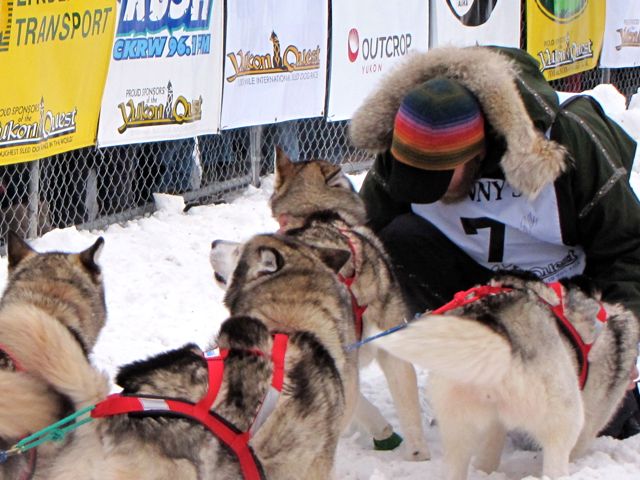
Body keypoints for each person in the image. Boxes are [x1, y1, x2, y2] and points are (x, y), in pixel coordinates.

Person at [349, 45, 640, 440]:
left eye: (440, 177)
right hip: (473, 289)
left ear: (477, 152)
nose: (431, 191)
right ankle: (475, 375)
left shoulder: (569, 141)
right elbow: (360, 239)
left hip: (566, 296)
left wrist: (618, 339)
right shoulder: (405, 147)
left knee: (590, 429)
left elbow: (627, 248)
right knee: (396, 243)